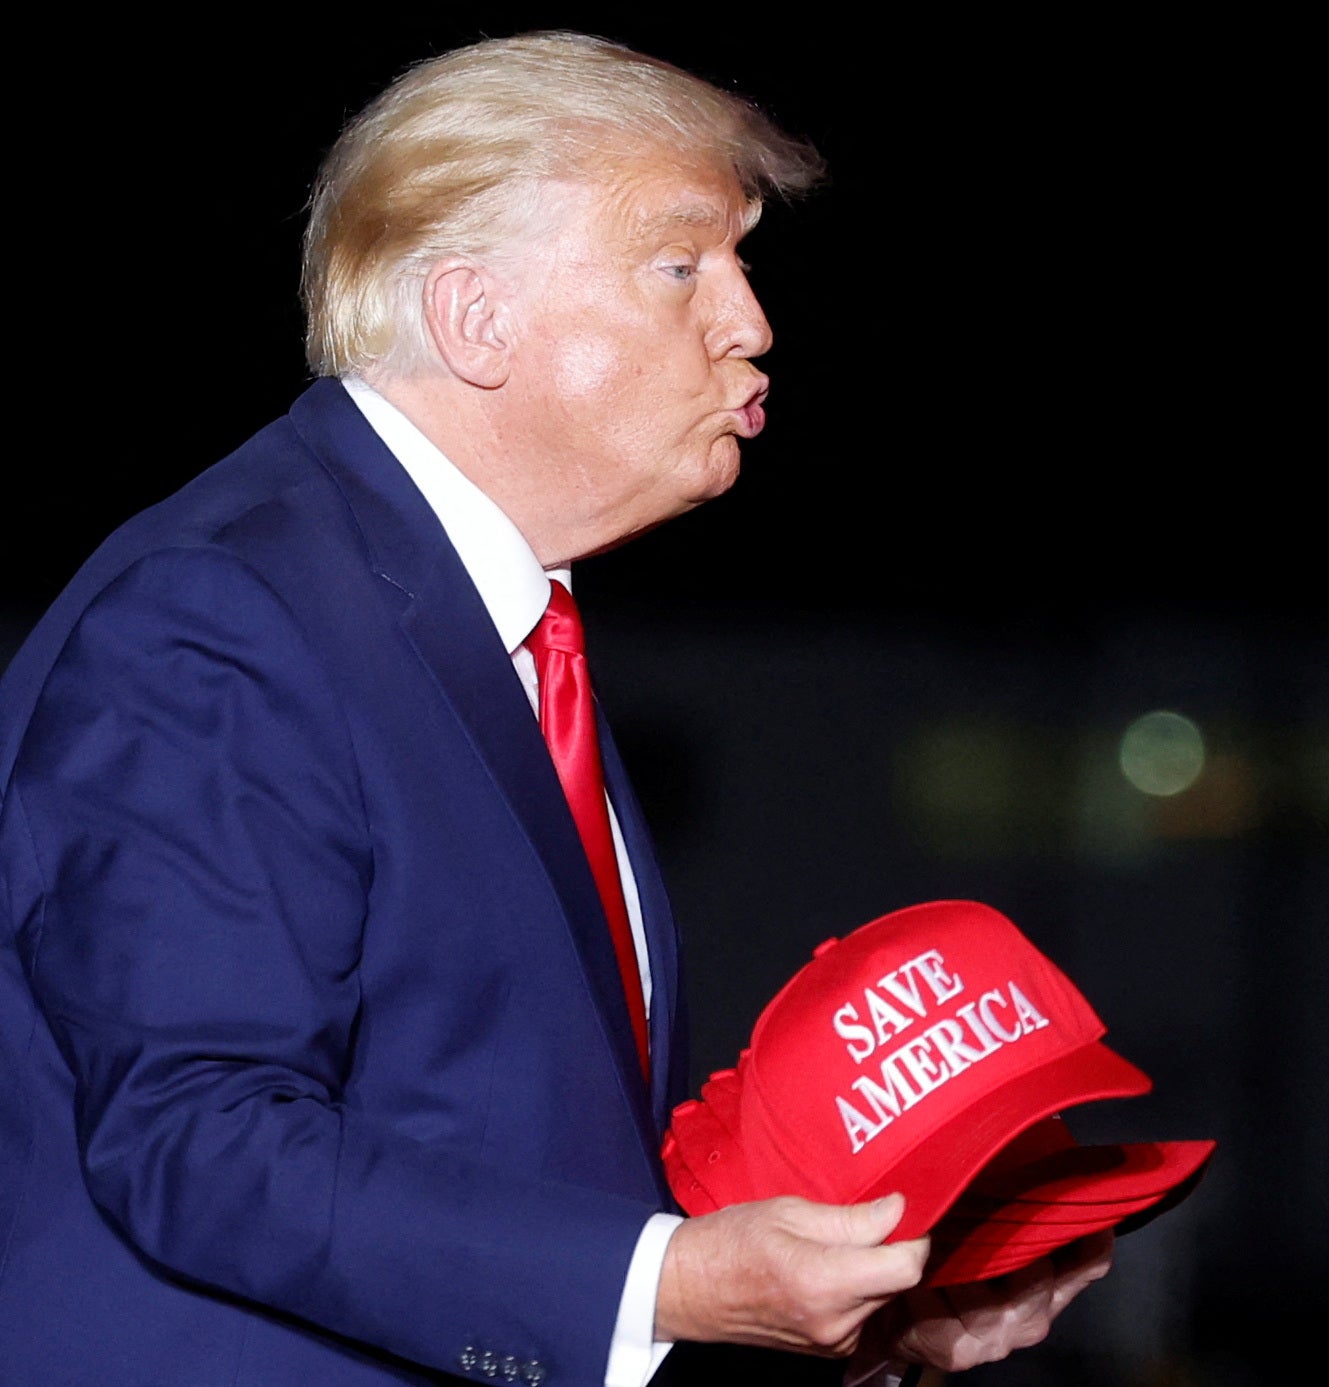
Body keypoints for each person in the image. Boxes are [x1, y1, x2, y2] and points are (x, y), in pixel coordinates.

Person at [0, 30, 1111, 1387]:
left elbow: (497, 1163)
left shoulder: (492, 624)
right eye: (682, 263)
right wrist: (673, 1279)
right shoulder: (229, 617)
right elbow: (199, 1140)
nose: (750, 321)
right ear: (478, 318)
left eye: (742, 263)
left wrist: (847, 1320)